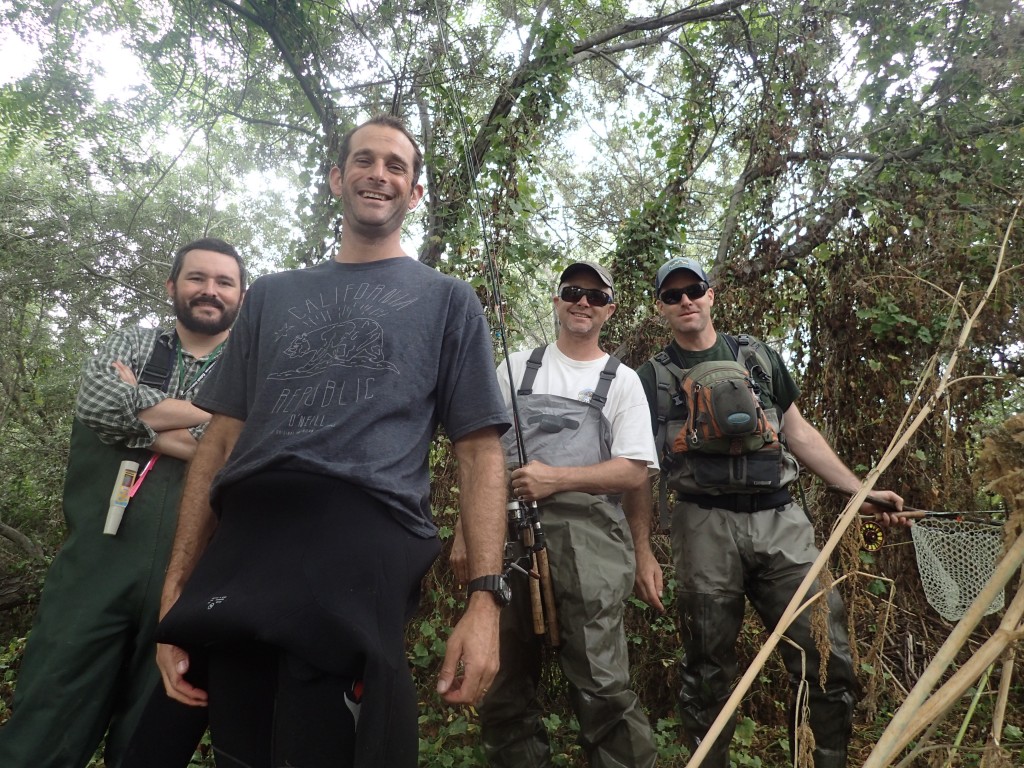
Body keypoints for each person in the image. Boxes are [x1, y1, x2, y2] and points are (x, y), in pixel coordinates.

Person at [152, 115, 510, 768]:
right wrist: (178, 586)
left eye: (397, 166)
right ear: (336, 179)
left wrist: (484, 600)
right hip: (248, 543)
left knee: (336, 745)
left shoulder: (448, 301)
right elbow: (220, 440)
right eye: (365, 161)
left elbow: (481, 451)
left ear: (416, 193)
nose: (380, 174)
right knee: (239, 743)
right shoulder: (269, 296)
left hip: (361, 540)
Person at [626, 257, 911, 768]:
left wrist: (859, 490)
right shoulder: (651, 377)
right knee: (707, 672)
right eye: (672, 295)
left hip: (782, 523)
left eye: (694, 289)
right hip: (703, 527)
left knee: (825, 655)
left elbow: (798, 433)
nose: (685, 300)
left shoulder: (758, 357)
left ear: (711, 295)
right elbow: (640, 467)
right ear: (660, 308)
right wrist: (642, 550)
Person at [0, 238, 247, 768]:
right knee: (45, 724)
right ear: (172, 287)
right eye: (196, 278)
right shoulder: (132, 343)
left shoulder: (251, 369)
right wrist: (205, 429)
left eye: (224, 282)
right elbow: (97, 403)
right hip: (94, 572)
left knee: (148, 741)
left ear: (241, 295)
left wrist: (142, 418)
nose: (209, 290)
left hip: (189, 583)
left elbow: (245, 450)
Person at [452, 261, 659, 768]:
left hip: (591, 540)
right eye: (572, 291)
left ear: (610, 308)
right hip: (504, 532)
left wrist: (556, 479)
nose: (581, 301)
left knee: (602, 686)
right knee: (502, 686)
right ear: (557, 301)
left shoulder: (625, 381)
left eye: (594, 294)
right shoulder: (514, 367)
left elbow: (635, 471)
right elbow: (482, 456)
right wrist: (463, 533)